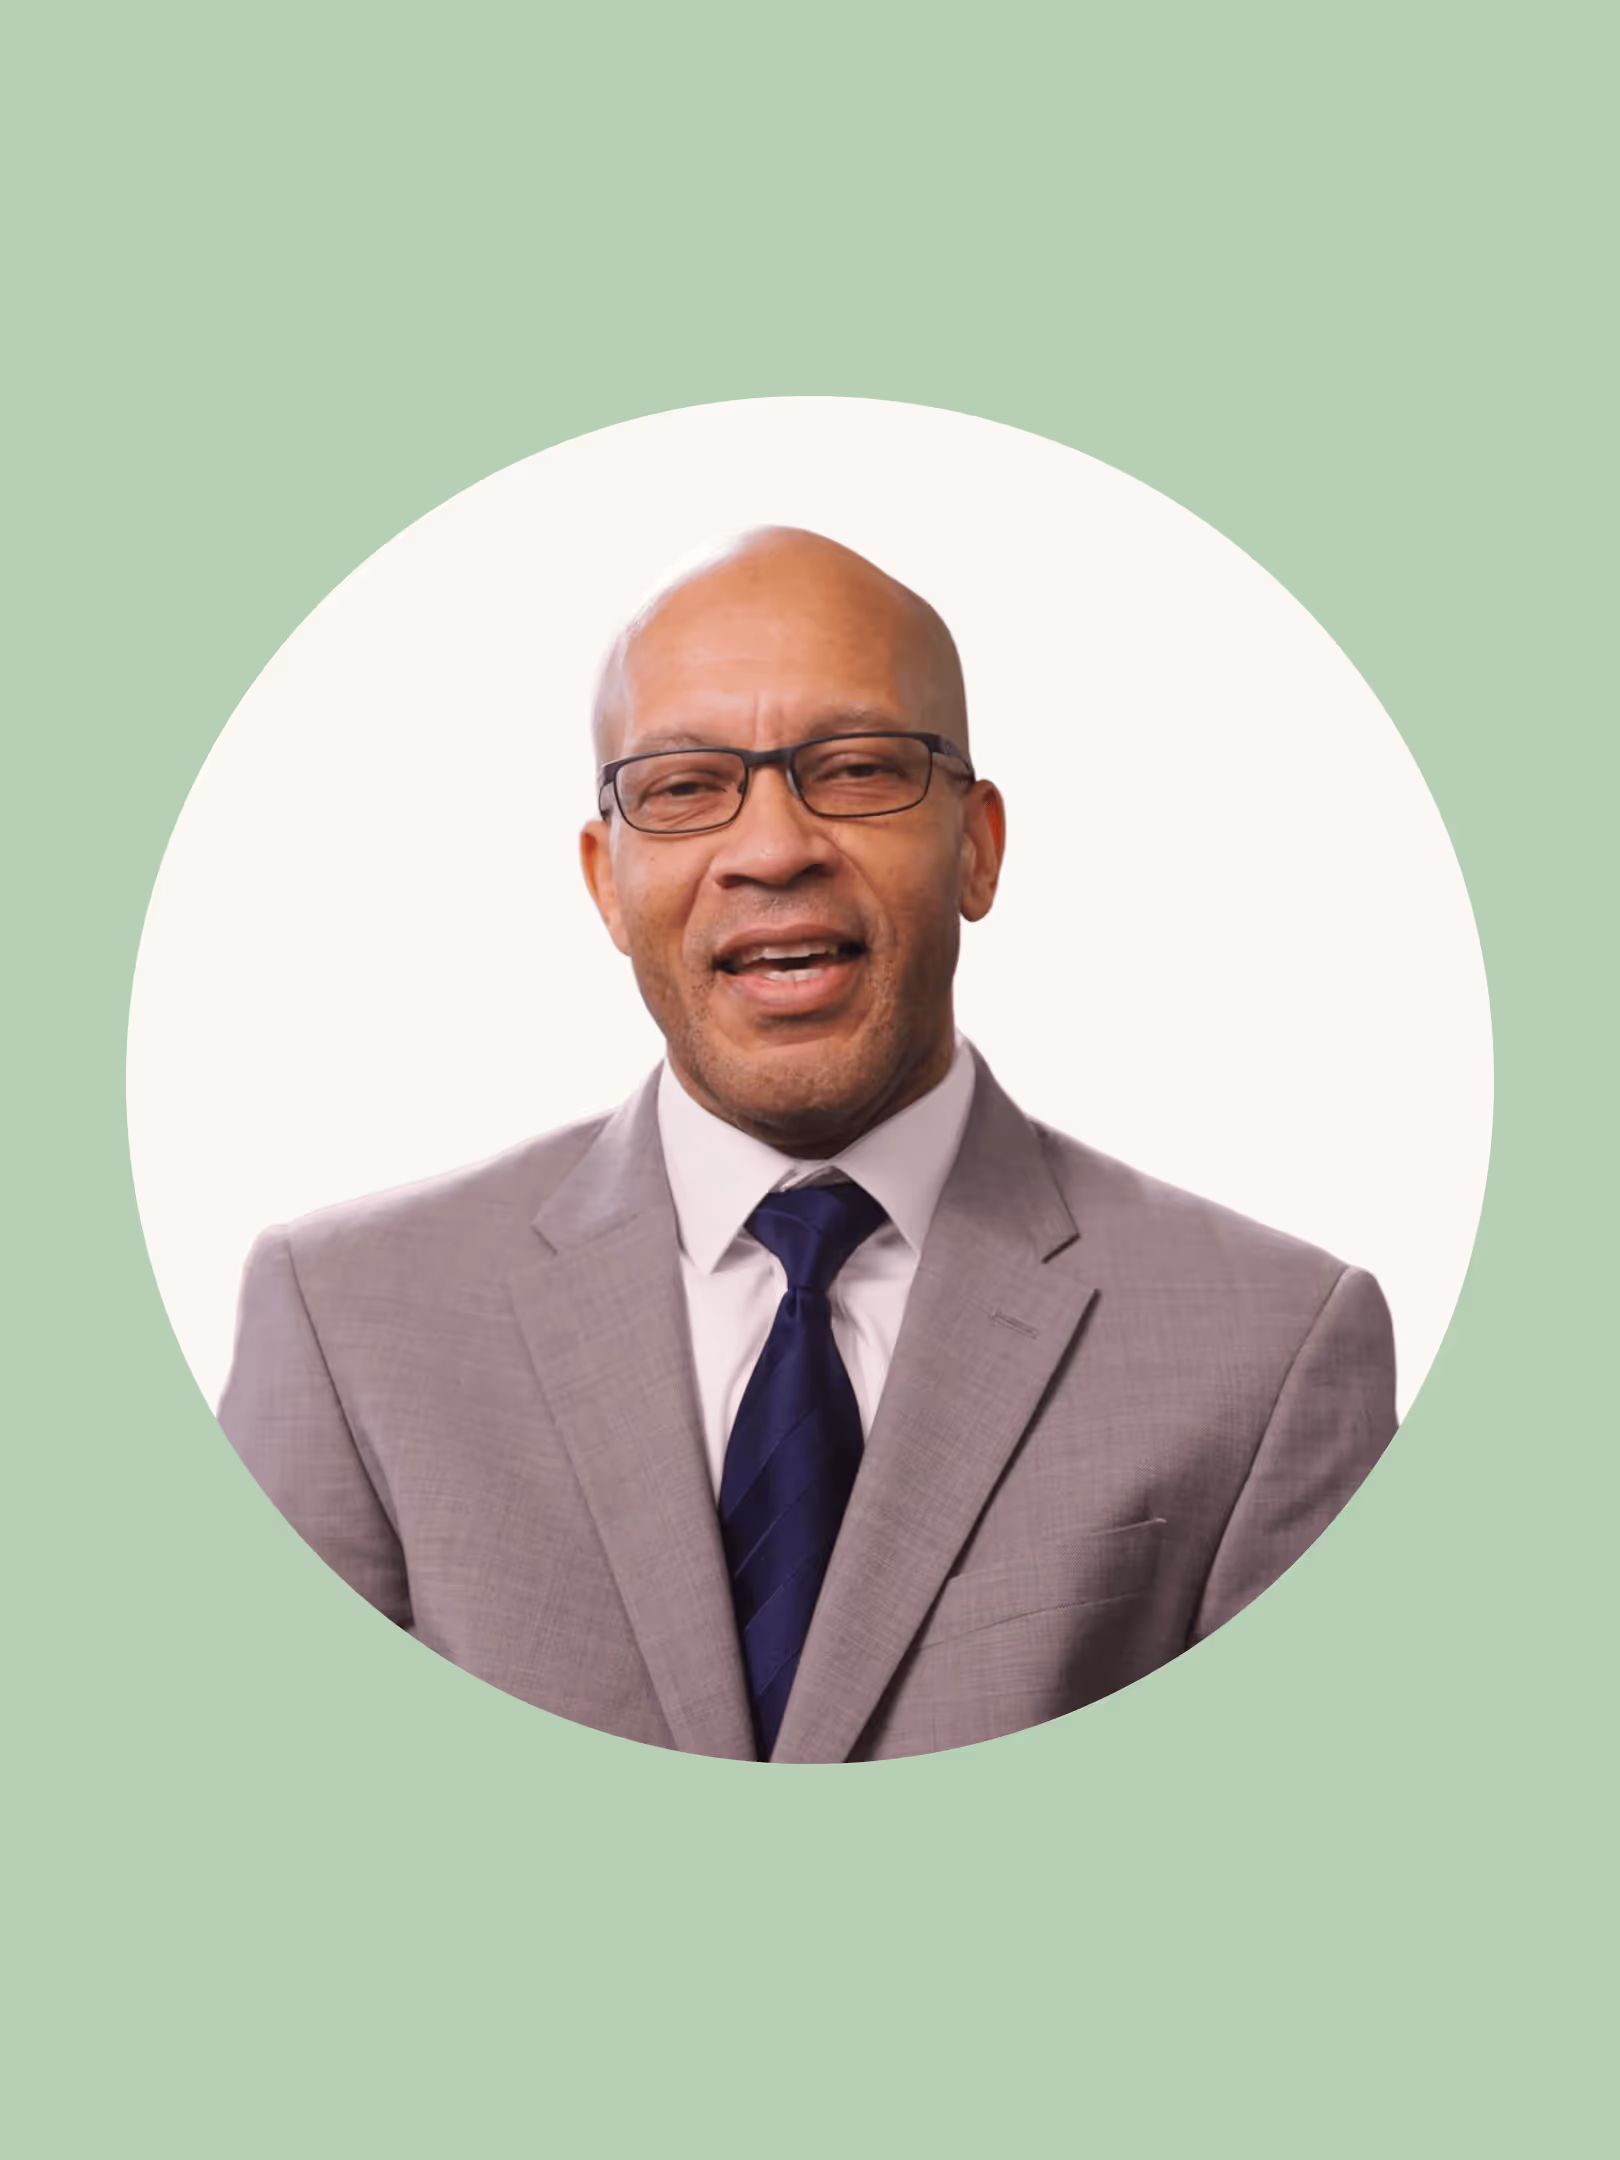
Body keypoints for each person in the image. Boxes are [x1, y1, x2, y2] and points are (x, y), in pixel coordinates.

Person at [219, 526, 1397, 1763]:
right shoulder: (343, 1322)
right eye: (684, 787)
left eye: (857, 769)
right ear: (606, 881)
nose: (774, 848)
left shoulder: (1275, 1351)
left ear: (978, 846)